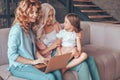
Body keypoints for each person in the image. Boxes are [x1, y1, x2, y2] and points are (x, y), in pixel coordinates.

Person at [34, 3, 92, 80]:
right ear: (42, 16)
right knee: (84, 64)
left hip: (64, 50)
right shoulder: (36, 31)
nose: (51, 18)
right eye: (48, 16)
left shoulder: (55, 24)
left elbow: (66, 37)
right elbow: (38, 53)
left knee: (89, 59)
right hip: (52, 56)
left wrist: (77, 37)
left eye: (52, 15)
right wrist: (53, 46)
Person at [7, 0, 62, 80]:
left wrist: (41, 59)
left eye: (36, 12)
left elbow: (34, 50)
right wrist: (33, 62)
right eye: (31, 12)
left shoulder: (30, 29)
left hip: (31, 63)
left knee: (57, 72)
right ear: (24, 13)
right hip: (18, 66)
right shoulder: (16, 30)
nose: (35, 15)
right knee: (49, 77)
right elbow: (12, 55)